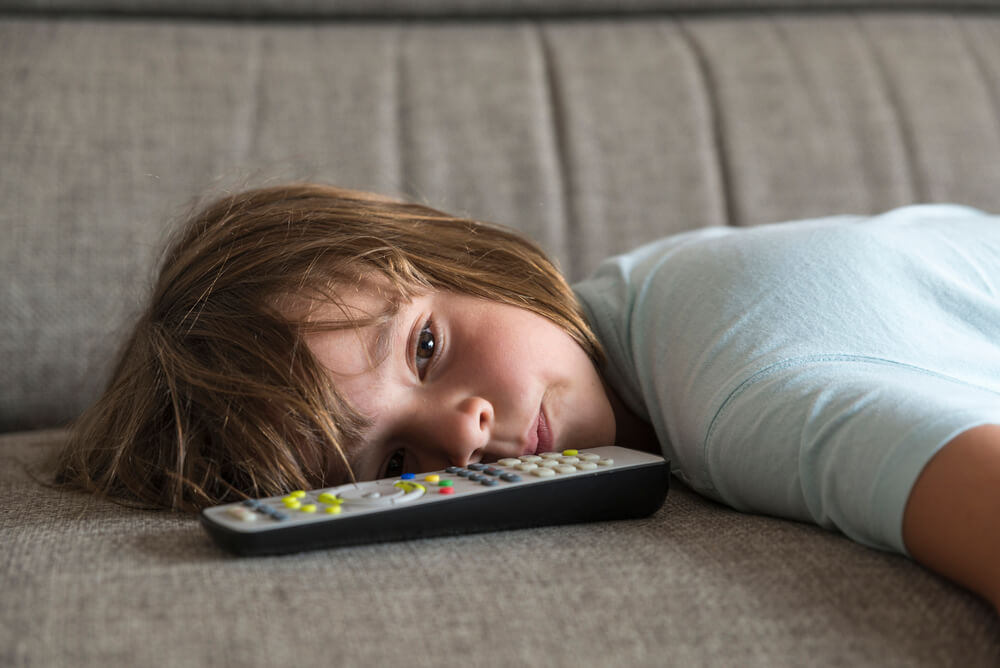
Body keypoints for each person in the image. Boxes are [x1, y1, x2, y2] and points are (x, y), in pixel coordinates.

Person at [55, 183, 1000, 612]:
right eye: (394, 466)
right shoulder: (646, 296)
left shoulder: (739, 393)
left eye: (426, 347)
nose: (461, 433)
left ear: (471, 260)